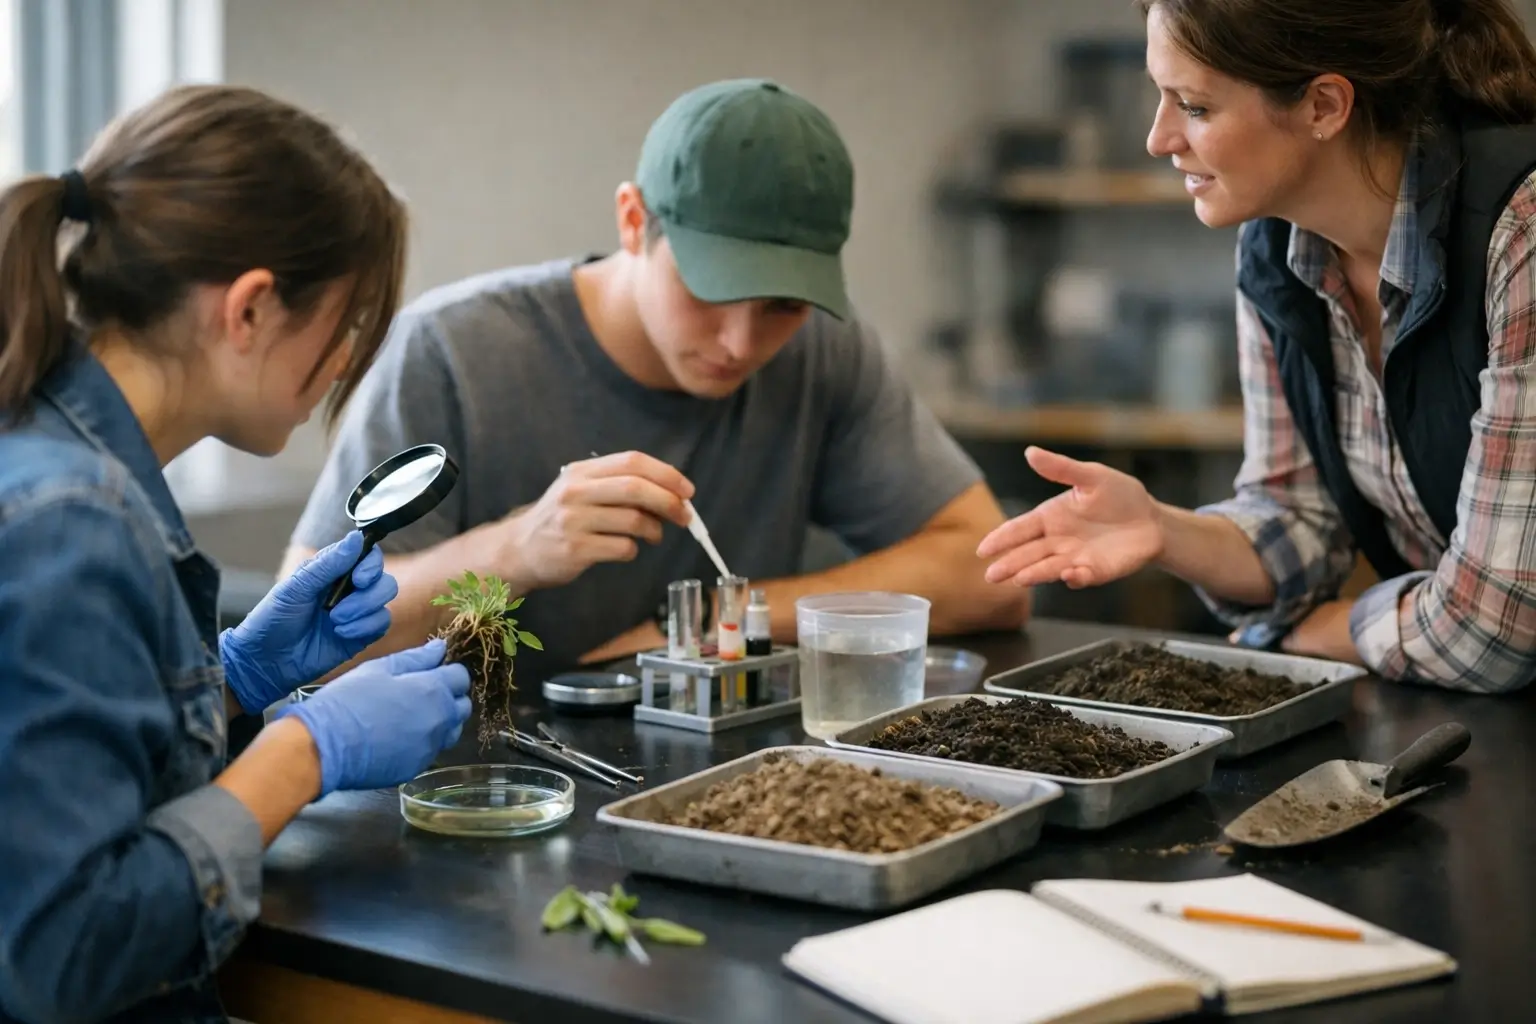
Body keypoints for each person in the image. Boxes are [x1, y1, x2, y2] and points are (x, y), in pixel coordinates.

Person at [284, 77, 1029, 683]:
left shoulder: (824, 353)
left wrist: (712, 620)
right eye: (710, 289)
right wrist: (515, 552)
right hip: (478, 786)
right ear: (633, 221)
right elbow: (311, 634)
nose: (741, 344)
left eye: (781, 306)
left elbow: (993, 573)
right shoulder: (451, 350)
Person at [0, 85, 473, 1023]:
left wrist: (236, 680)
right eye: (343, 326)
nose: (343, 364)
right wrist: (305, 749)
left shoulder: (53, 455)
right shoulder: (71, 522)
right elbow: (60, 954)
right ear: (251, 309)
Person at [978, 0, 1536, 694]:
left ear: (1324, 106)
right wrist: (1161, 530)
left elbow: (1496, 628)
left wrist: (1320, 634)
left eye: (1195, 106)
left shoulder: (1520, 231)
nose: (1158, 138)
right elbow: (1297, 521)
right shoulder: (1276, 247)